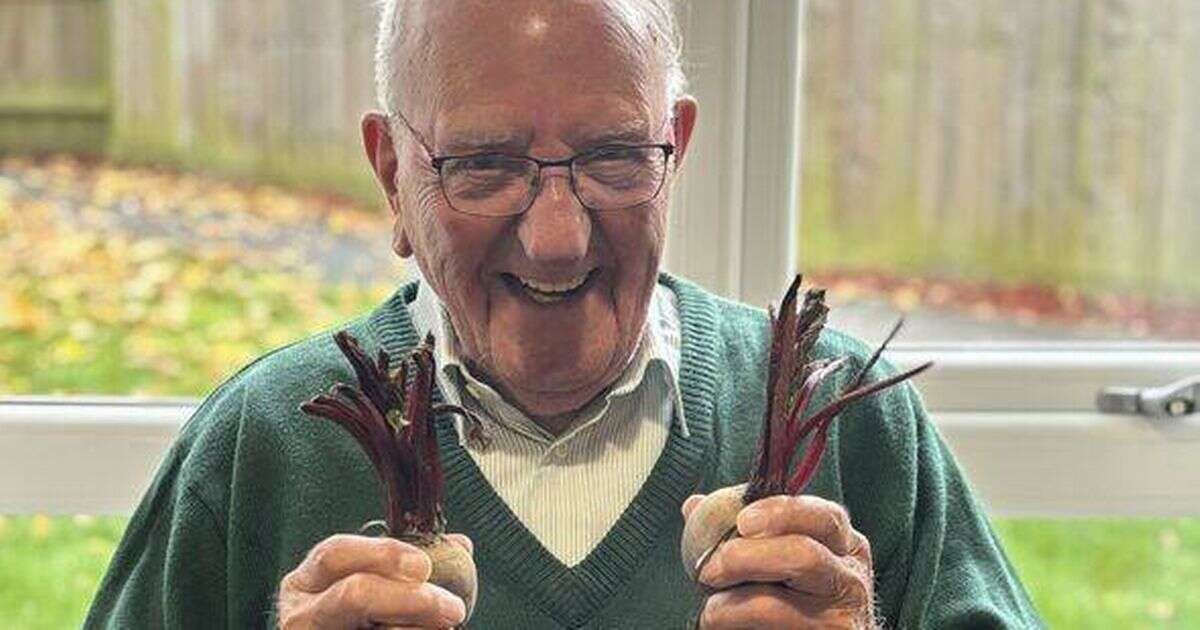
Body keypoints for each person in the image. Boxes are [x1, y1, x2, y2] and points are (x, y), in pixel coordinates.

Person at [86, 0, 1042, 628]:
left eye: (615, 157)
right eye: (486, 165)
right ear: (391, 175)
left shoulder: (856, 422)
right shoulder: (264, 446)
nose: (556, 238)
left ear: (678, 148)